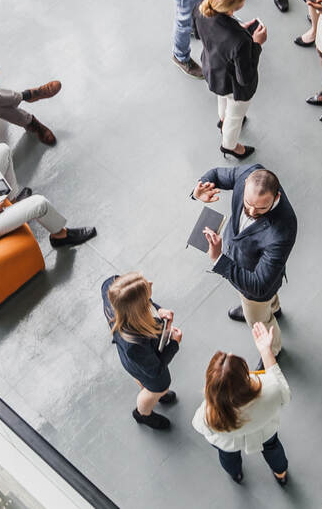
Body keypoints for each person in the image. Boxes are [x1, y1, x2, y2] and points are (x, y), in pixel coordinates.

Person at [192, 165, 296, 359]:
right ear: (246, 182)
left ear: (277, 198)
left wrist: (219, 259)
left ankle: (273, 351)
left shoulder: (283, 230)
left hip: (255, 287)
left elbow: (258, 285)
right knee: (268, 298)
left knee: (259, 321)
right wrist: (200, 190)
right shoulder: (248, 174)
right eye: (248, 203)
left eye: (261, 208)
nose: (251, 210)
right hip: (248, 263)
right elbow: (215, 174)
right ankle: (274, 308)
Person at [192, 322, 290, 486]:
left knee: (227, 456)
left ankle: (236, 474)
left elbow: (199, 426)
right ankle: (281, 474)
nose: (230, 352)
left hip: (229, 443)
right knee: (273, 448)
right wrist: (265, 350)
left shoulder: (208, 413)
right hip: (265, 431)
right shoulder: (271, 389)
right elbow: (282, 388)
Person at [100, 272, 182, 430]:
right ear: (139, 310)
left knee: (143, 380)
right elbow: (156, 369)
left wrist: (157, 309)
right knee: (160, 386)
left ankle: (149, 390)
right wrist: (174, 344)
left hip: (133, 360)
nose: (151, 282)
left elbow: (137, 299)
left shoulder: (112, 288)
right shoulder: (135, 344)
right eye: (146, 287)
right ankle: (143, 413)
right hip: (145, 366)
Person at [195, 0, 266, 160]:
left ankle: (222, 119)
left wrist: (238, 28)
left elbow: (206, 34)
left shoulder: (201, 10)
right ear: (233, 7)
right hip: (234, 86)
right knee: (235, 116)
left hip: (213, 72)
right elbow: (245, 78)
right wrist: (257, 44)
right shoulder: (240, 41)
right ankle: (230, 145)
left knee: (223, 101)